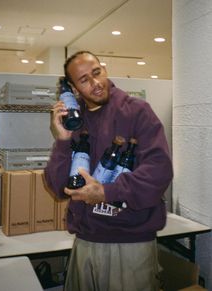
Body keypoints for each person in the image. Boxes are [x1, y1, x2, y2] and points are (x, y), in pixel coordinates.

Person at [44, 51, 173, 291]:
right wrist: (62, 140)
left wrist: (106, 192)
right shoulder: (75, 120)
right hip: (85, 243)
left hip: (130, 244)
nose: (95, 83)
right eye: (84, 80)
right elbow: (58, 187)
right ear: (72, 87)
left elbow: (159, 172)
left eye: (97, 72)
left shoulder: (137, 111)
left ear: (104, 69)